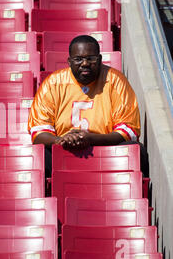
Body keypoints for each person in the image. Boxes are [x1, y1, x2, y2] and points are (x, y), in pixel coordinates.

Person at [28, 35, 149, 177]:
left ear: (100, 59)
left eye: (91, 58)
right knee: (39, 154)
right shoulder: (53, 83)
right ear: (69, 61)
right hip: (65, 150)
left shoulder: (116, 80)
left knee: (135, 149)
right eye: (78, 59)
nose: (85, 63)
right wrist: (61, 140)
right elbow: (38, 132)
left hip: (106, 151)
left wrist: (90, 139)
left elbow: (129, 131)